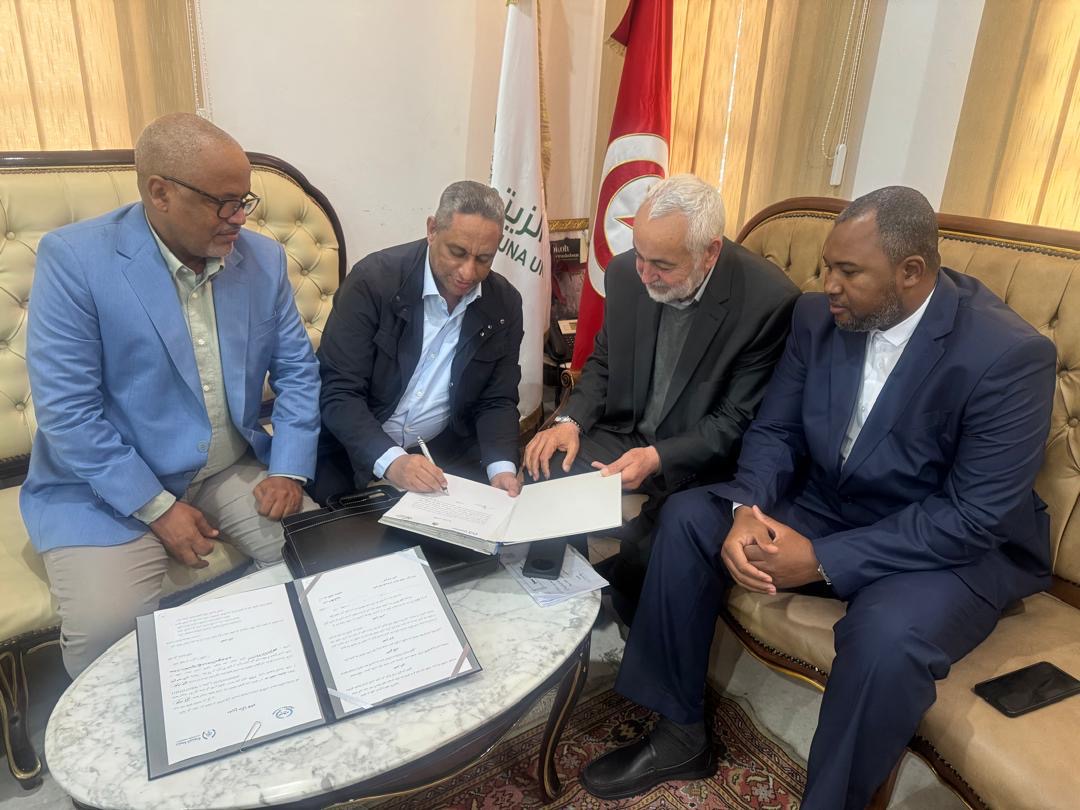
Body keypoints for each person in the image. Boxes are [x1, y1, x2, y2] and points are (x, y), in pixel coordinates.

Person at [580, 186, 1057, 808]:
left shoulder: (1008, 354)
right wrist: (746, 507)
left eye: (848, 272)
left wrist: (823, 560)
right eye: (827, 265)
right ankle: (679, 735)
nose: (828, 284)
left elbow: (973, 516)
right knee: (693, 516)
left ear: (911, 272)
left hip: (944, 546)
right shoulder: (816, 317)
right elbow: (776, 430)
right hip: (832, 500)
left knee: (885, 640)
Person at [21, 113, 321, 678]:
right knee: (109, 637)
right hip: (105, 489)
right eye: (223, 203)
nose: (239, 218)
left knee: (326, 561)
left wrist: (289, 467)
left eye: (244, 201)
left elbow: (298, 373)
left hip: (227, 467)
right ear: (160, 192)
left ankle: (276, 690)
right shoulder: (76, 260)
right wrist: (156, 508)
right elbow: (68, 413)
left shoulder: (262, 259)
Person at [523, 174, 799, 610]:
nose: (645, 274)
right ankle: (566, 600)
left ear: (710, 252)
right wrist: (570, 421)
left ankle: (621, 605)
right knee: (549, 465)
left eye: (663, 265)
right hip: (629, 429)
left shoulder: (768, 301)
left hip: (699, 454)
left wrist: (658, 457)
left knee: (655, 544)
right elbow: (604, 363)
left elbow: (735, 420)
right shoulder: (625, 274)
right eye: (640, 255)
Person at [313, 180, 524, 504]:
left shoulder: (504, 303)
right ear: (432, 230)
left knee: (493, 526)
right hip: (351, 448)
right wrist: (393, 461)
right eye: (457, 252)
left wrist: (501, 469)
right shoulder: (373, 282)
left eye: (484, 258)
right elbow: (339, 391)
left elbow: (496, 399)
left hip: (443, 450)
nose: (468, 272)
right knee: (346, 531)